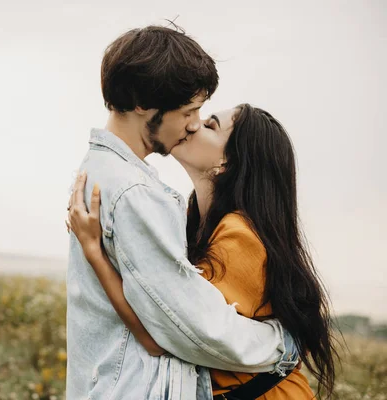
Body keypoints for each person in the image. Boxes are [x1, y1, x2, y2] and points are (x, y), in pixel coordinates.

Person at [65, 24, 300, 400]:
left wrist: (97, 256)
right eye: (191, 111)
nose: (193, 124)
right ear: (143, 103)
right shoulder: (135, 192)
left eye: (205, 118)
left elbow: (174, 325)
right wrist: (282, 346)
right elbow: (187, 328)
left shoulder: (105, 174)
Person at [67, 104, 337, 398]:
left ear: (228, 162)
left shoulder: (240, 235)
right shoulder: (191, 219)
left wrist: (95, 252)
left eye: (210, 125)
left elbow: (164, 333)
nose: (194, 125)